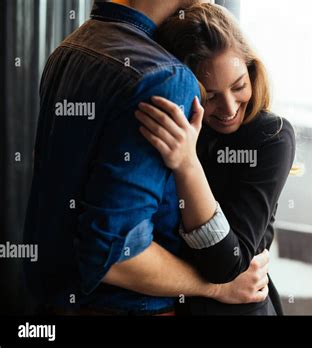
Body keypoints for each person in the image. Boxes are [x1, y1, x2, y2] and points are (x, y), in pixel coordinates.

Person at [22, 0, 270, 316]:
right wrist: (218, 287)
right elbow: (118, 255)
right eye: (211, 96)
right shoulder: (166, 76)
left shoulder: (68, 50)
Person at [135, 3, 296, 315]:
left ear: (252, 71)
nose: (229, 108)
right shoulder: (170, 126)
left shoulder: (271, 137)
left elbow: (228, 264)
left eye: (239, 87)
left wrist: (186, 164)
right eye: (210, 96)